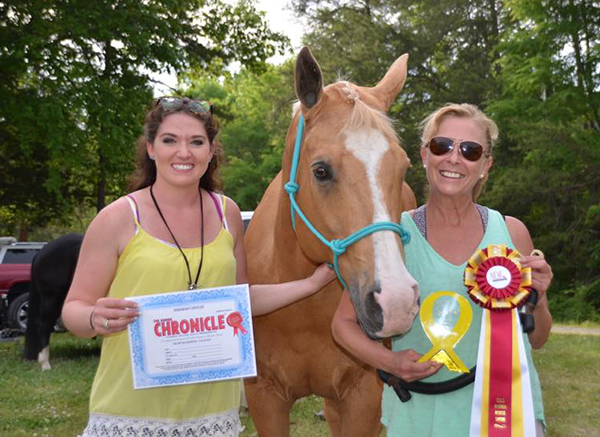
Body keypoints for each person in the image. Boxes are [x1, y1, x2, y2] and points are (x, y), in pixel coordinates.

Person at [61, 97, 336, 437]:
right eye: (169, 140)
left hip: (211, 414)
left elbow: (239, 300)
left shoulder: (228, 214)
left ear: (210, 151)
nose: (184, 152)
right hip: (133, 410)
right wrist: (94, 318)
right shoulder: (117, 217)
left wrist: (310, 284)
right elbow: (73, 311)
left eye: (196, 142)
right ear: (150, 148)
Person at [331, 103, 553, 436]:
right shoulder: (394, 236)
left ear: (485, 166)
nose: (454, 158)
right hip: (419, 415)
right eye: (442, 145)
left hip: (506, 416)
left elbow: (538, 338)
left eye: (470, 150)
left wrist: (541, 295)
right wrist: (391, 363)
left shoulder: (512, 232)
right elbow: (342, 324)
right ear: (424, 155)